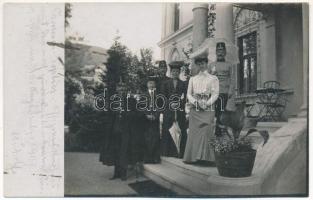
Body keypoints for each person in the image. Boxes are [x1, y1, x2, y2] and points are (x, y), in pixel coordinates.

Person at [99, 79, 144, 181]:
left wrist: (126, 113)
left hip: (126, 130)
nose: (121, 89)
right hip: (115, 129)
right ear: (117, 89)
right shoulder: (113, 100)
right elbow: (108, 115)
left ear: (126, 89)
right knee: (115, 151)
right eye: (119, 87)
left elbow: (138, 114)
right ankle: (116, 173)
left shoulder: (131, 100)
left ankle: (123, 174)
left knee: (124, 152)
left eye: (123, 87)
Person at [183, 56, 219, 163]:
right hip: (195, 107)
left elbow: (215, 94)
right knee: (195, 132)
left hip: (208, 107)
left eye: (203, 63)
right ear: (197, 65)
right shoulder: (193, 79)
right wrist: (195, 103)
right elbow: (188, 94)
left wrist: (207, 103)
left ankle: (207, 159)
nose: (201, 65)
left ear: (207, 63)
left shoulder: (213, 78)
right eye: (199, 63)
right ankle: (194, 158)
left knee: (207, 130)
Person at [161, 61, 187, 158]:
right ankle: (167, 151)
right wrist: (170, 104)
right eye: (173, 71)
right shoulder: (166, 83)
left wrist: (180, 103)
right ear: (171, 72)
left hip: (179, 110)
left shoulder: (183, 84)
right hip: (169, 110)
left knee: (180, 129)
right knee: (168, 129)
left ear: (179, 72)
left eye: (177, 71)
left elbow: (185, 97)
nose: (175, 73)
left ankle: (179, 152)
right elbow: (163, 97)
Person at [208, 42, 235, 136]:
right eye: (218, 50)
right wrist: (212, 74)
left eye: (222, 50)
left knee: (221, 111)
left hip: (224, 91)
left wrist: (231, 90)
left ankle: (219, 132)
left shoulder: (229, 65)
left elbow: (232, 78)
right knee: (214, 112)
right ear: (216, 52)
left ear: (225, 52)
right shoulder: (211, 65)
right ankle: (216, 131)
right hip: (213, 92)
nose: (220, 52)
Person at [141, 76, 161, 163]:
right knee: (146, 138)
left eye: (153, 83)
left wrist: (155, 116)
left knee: (155, 138)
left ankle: (154, 158)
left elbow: (160, 106)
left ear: (155, 84)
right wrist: (147, 115)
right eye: (149, 83)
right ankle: (147, 158)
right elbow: (141, 107)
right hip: (146, 120)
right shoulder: (143, 95)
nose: (151, 85)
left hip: (155, 120)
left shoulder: (158, 95)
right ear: (147, 85)